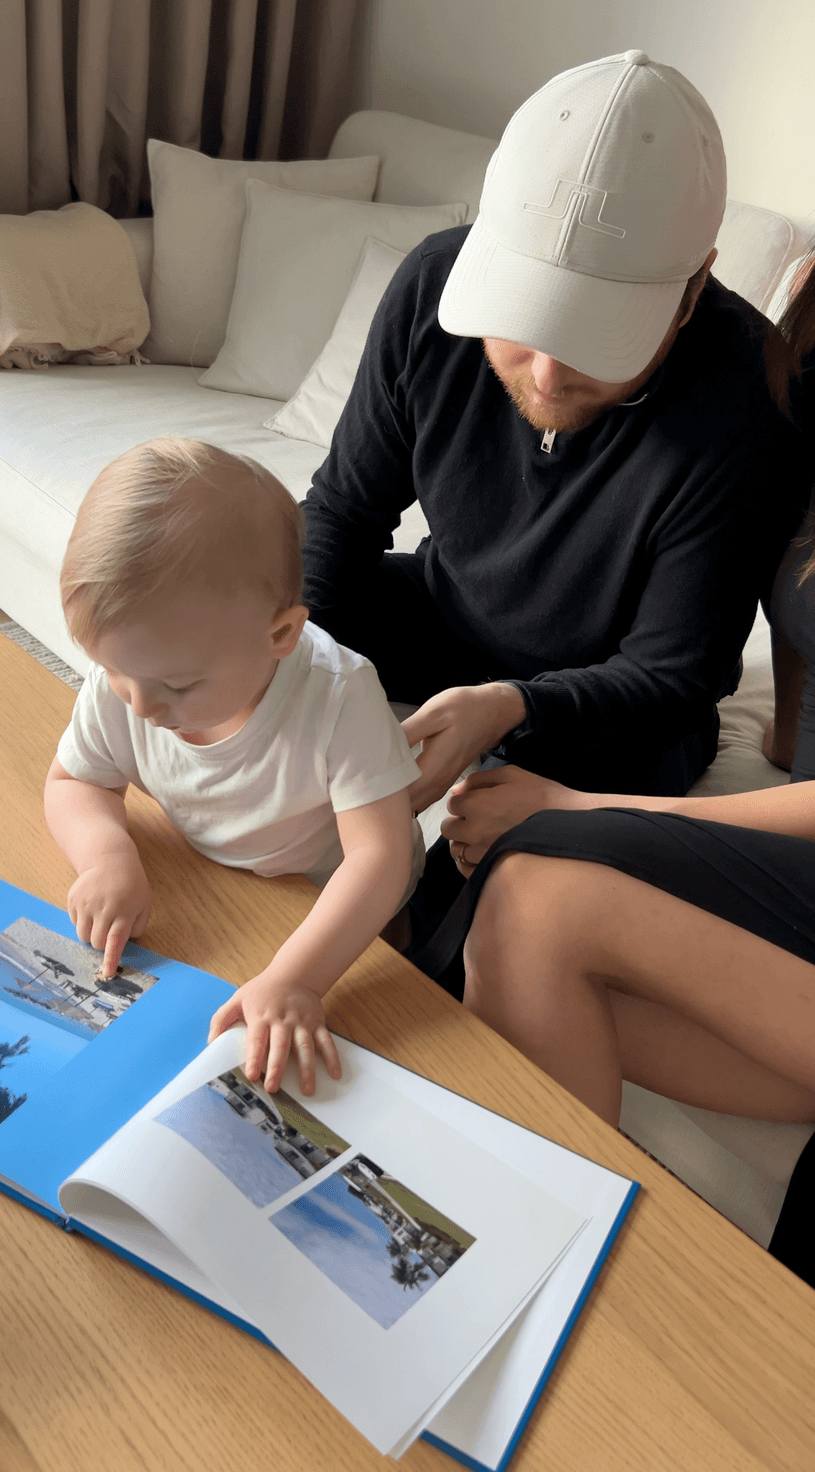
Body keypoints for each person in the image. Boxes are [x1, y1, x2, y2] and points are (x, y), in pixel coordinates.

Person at [302, 53, 811, 960]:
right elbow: (339, 520)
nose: (545, 373)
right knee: (235, 627)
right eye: (527, 316)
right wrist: (288, 688)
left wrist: (509, 709)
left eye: (593, 335)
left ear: (693, 290)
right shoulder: (432, 288)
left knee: (481, 886)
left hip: (617, 702)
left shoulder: (751, 398)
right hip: (445, 608)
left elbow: (674, 675)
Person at [421, 254, 815, 1285]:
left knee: (542, 878)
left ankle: (509, 1285)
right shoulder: (793, 366)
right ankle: (515, 1287)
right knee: (512, 930)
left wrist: (585, 805)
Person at [44, 438, 423, 1096]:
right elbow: (75, 780)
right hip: (217, 884)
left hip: (333, 904)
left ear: (279, 636)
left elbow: (380, 860)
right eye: (113, 670)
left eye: (179, 686)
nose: (139, 705)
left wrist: (302, 975)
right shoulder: (134, 680)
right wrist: (106, 857)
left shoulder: (340, 696)